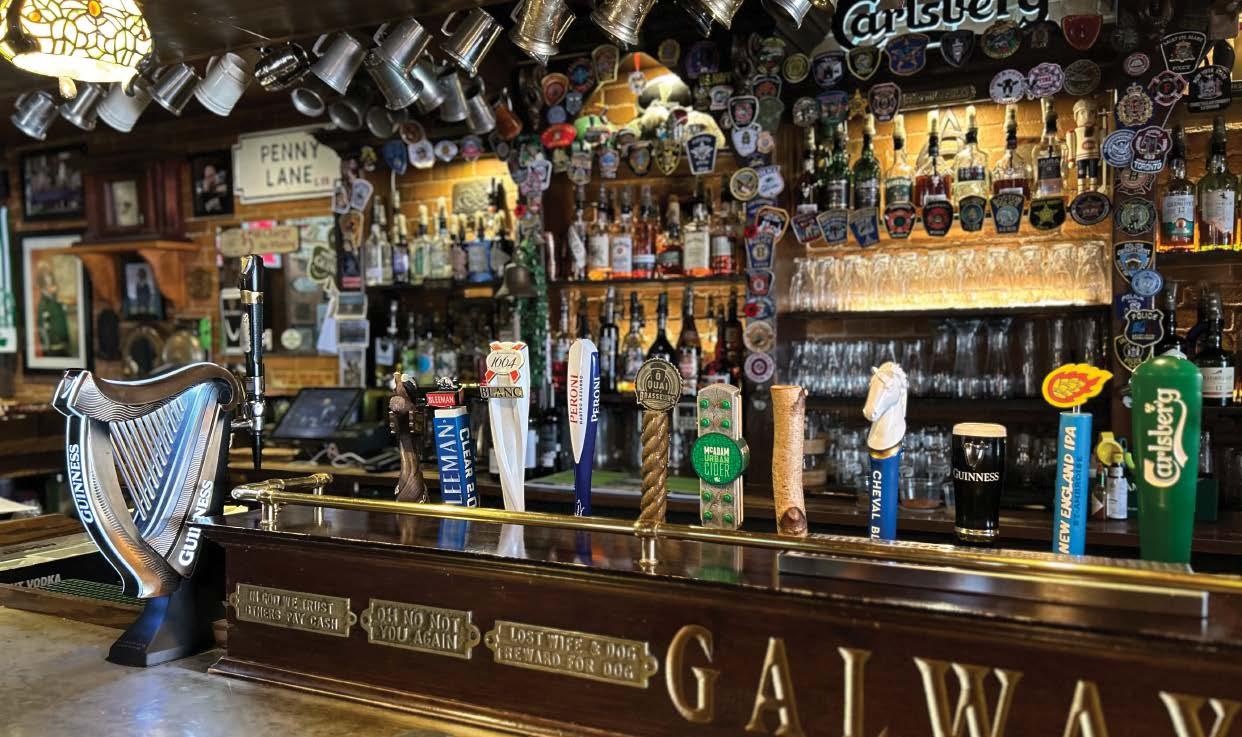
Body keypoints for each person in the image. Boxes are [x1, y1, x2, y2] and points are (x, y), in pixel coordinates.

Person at [35, 260, 69, 357]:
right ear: (43, 287)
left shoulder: (57, 302)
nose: (53, 286)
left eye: (52, 282)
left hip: (63, 346)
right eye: (48, 284)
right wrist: (48, 348)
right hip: (53, 349)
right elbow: (43, 329)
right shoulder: (44, 305)